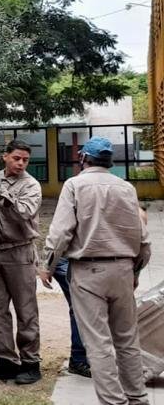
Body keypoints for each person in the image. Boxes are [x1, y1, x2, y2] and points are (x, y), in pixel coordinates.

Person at [40, 136, 151, 405]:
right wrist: (134, 272)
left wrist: (47, 265)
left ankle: (114, 402)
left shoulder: (75, 185)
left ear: (83, 159)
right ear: (109, 162)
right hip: (123, 270)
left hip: (88, 272)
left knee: (99, 343)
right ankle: (138, 399)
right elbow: (142, 239)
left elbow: (61, 231)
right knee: (127, 340)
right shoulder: (126, 188)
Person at [0, 139, 43, 384]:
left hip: (19, 252)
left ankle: (31, 363)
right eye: (16, 158)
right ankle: (5, 361)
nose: (21, 163)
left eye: (25, 160)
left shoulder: (31, 185)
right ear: (5, 156)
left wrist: (1, 192)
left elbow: (24, 213)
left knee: (26, 310)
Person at [51, 257, 91, 377]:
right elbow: (57, 240)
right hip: (67, 261)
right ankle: (78, 360)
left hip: (87, 263)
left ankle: (81, 358)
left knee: (84, 308)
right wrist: (46, 265)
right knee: (80, 308)